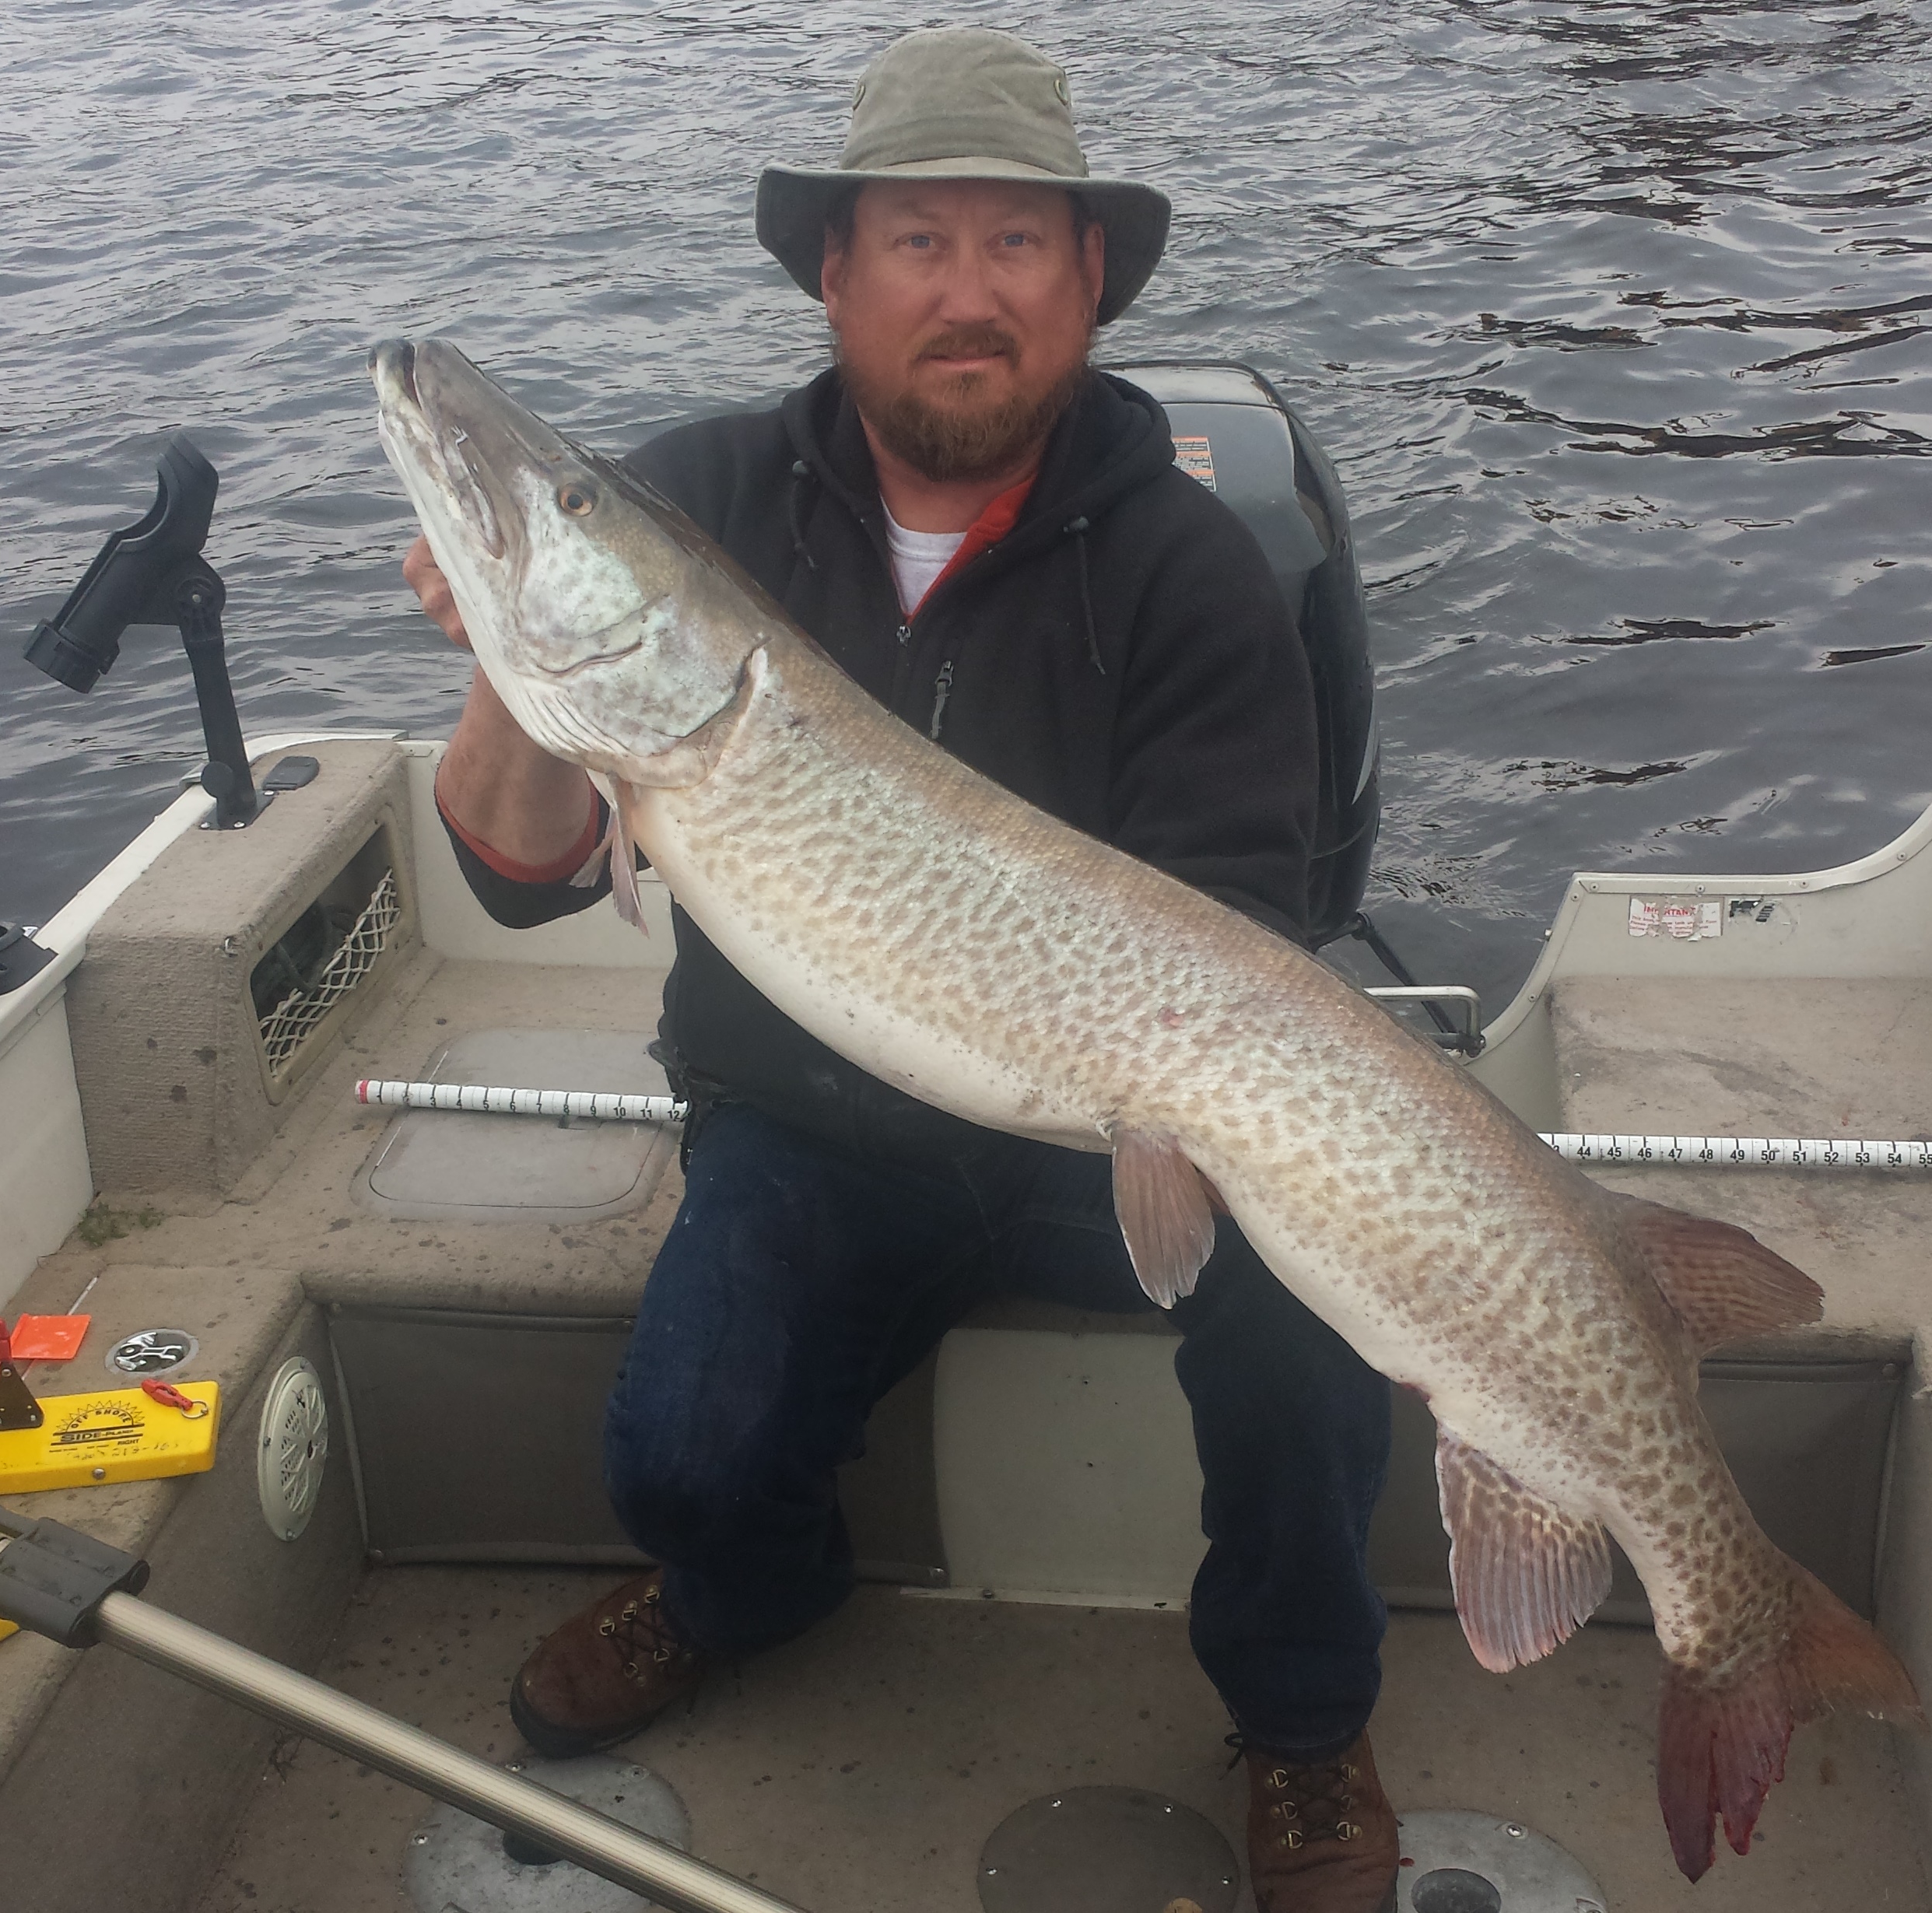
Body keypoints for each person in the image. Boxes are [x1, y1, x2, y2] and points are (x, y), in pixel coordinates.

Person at [410, 28, 1397, 1911]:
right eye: (919, 242)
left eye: (1018, 246)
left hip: (1108, 1135)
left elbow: (1236, 943)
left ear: (1086, 282)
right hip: (810, 1126)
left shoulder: (1188, 567)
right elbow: (526, 865)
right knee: (684, 1458)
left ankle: (1302, 1721)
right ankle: (742, 1592)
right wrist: (511, 651)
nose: (969, 294)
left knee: (1313, 1312)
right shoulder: (689, 496)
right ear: (832, 275)